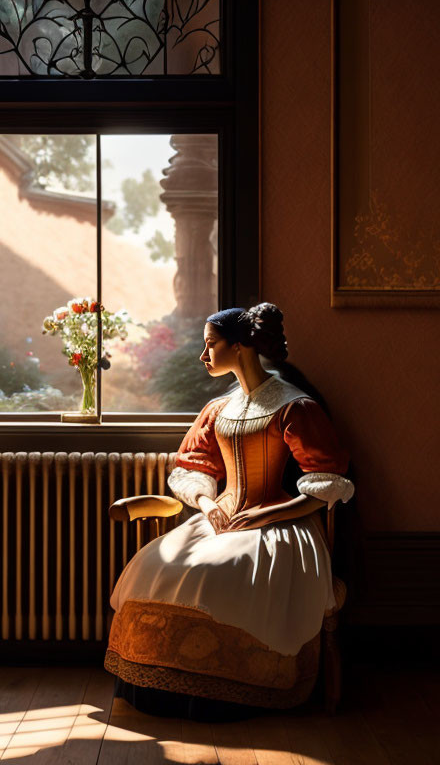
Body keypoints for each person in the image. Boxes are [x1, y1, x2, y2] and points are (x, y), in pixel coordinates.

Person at [104, 303, 354, 719]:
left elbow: (325, 481)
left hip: (280, 520)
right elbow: (194, 465)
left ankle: (228, 694)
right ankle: (162, 687)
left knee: (224, 570)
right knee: (159, 565)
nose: (204, 355)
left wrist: (265, 516)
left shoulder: (294, 406)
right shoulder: (220, 408)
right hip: (221, 514)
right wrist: (205, 503)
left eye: (211, 345)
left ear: (240, 347)